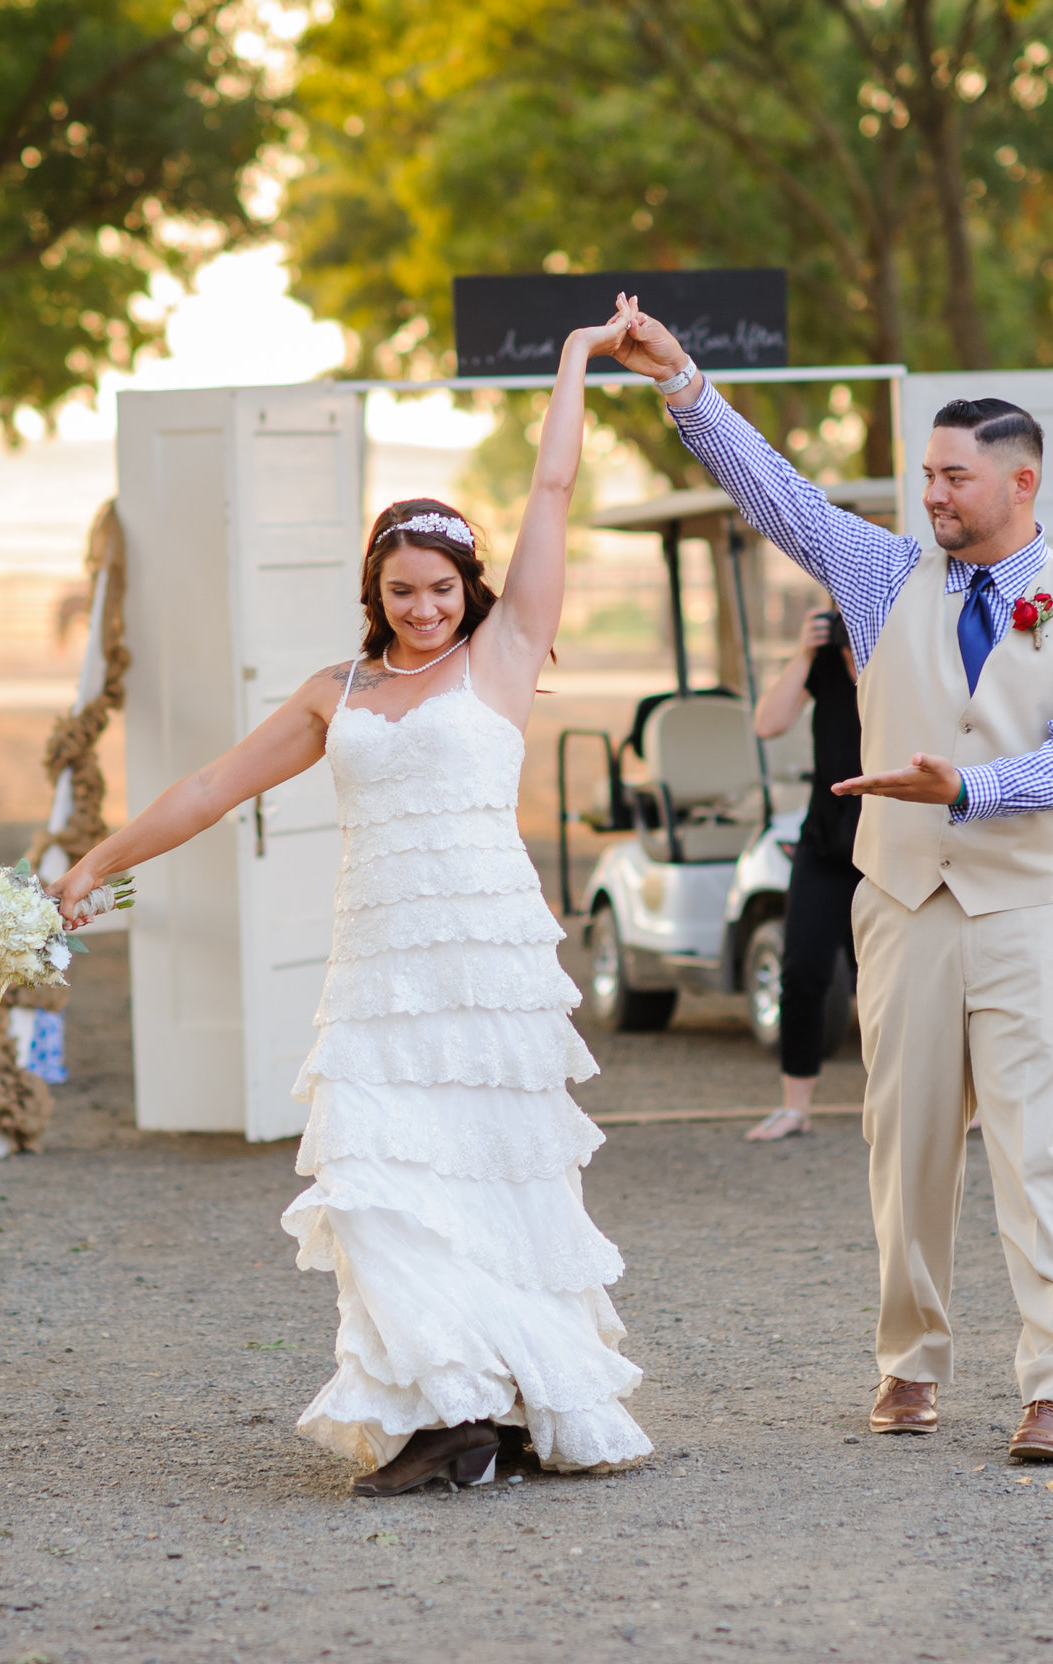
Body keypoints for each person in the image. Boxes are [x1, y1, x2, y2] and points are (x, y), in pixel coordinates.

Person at [56, 299, 654, 1496]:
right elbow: (218, 782)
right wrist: (97, 859)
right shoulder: (335, 689)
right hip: (377, 962)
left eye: (439, 588)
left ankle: (508, 1402)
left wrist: (576, 356)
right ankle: (450, 1408)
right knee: (378, 1181)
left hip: (483, 963)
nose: (421, 607)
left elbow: (551, 495)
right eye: (400, 591)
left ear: (466, 588)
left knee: (492, 1176)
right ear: (373, 592)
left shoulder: (503, 656)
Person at [608, 311, 1053, 1462]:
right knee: (901, 1146)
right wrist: (686, 386)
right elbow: (783, 498)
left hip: (1032, 914)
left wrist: (971, 784)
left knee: (1031, 1146)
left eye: (954, 477)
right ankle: (909, 1362)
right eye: (927, 475)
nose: (934, 494)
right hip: (901, 905)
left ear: (1020, 480)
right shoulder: (883, 570)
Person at [744, 604, 861, 1142]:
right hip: (825, 841)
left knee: (914, 978)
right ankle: (795, 1107)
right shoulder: (822, 663)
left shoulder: (902, 658)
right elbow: (768, 723)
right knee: (803, 971)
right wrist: (804, 654)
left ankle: (956, 1104)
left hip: (891, 845)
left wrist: (862, 656)